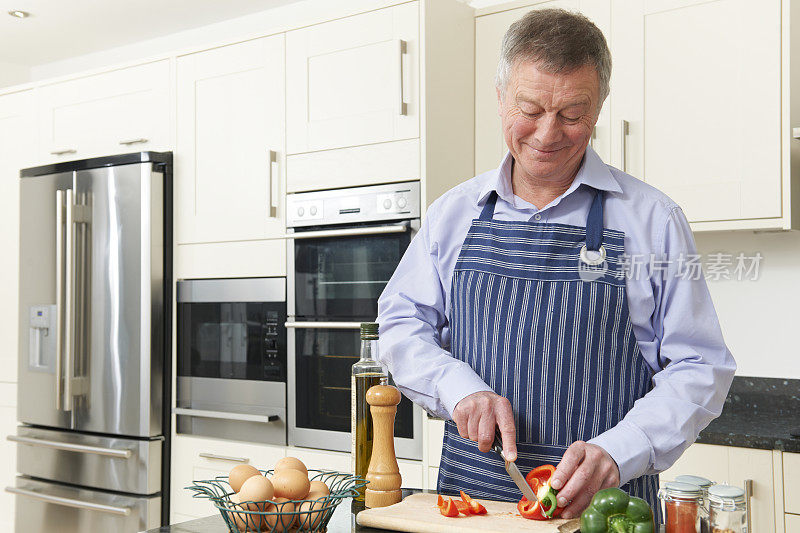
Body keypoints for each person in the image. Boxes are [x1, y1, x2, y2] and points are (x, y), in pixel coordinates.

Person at [376, 8, 735, 520]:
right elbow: (401, 324)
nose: (547, 134)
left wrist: (621, 449)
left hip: (607, 514)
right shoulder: (452, 215)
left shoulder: (653, 220)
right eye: (530, 108)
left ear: (599, 109)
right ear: (500, 98)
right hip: (471, 510)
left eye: (572, 114)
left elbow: (701, 365)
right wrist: (458, 389)